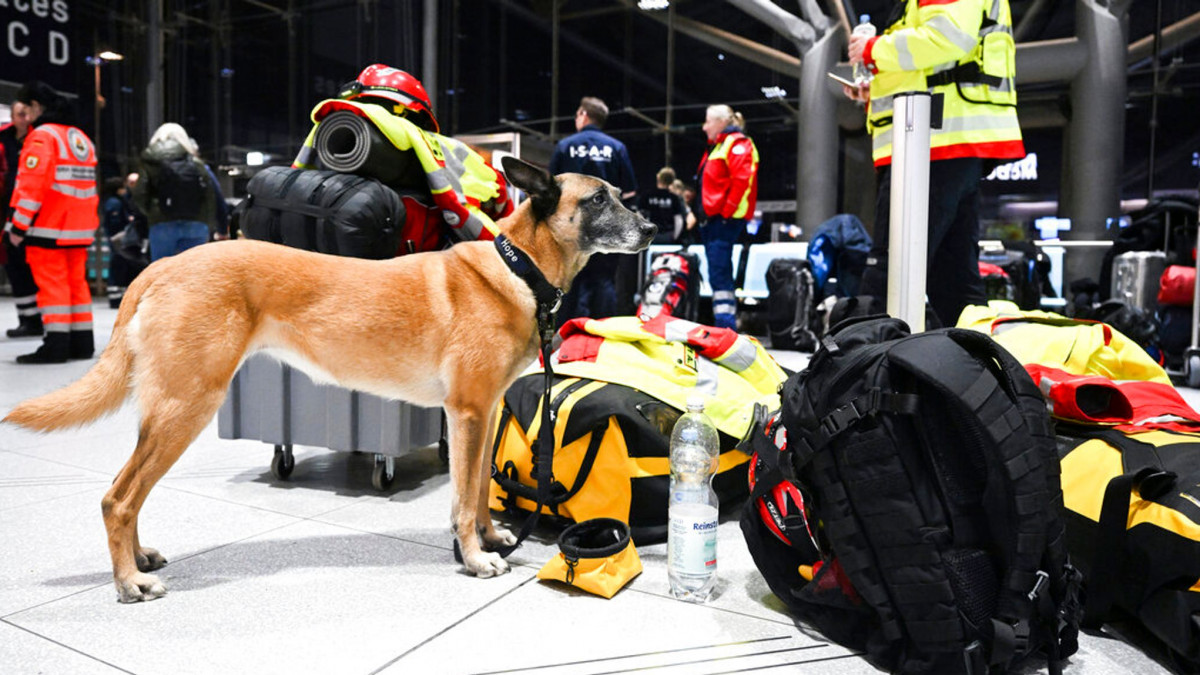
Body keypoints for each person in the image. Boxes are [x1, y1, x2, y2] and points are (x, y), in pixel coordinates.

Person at [845, 0, 1023, 326]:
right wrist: (876, 87)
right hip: (941, 140)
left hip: (931, 141)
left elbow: (948, 37)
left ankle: (863, 367)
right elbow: (932, 59)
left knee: (891, 272)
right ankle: (975, 367)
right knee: (953, 277)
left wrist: (873, 48)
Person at [3, 81, 98, 363]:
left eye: (27, 108)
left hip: (48, 226)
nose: (25, 116)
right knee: (77, 285)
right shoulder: (79, 137)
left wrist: (18, 227)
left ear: (35, 106)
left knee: (53, 286)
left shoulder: (42, 137)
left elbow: (31, 188)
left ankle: (55, 346)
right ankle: (82, 344)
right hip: (79, 227)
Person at [549, 96, 638, 324]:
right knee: (604, 281)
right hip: (606, 228)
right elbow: (628, 192)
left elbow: (551, 190)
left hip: (571, 228)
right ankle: (602, 338)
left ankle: (563, 342)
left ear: (583, 115)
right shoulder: (617, 148)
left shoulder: (565, 146)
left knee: (568, 282)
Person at [696, 104, 759, 330]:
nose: (704, 127)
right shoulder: (719, 145)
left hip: (723, 221)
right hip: (714, 221)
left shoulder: (738, 144)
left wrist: (726, 211)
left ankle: (725, 326)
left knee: (720, 272)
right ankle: (723, 324)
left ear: (721, 121)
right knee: (718, 272)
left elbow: (743, 180)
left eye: (708, 121)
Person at [133, 123, 228, 261]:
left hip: (161, 225)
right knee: (192, 274)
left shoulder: (150, 161)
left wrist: (152, 213)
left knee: (162, 274)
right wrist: (217, 227)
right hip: (196, 225)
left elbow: (140, 194)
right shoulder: (197, 163)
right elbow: (213, 196)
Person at [1, 99, 41, 338]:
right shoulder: (3, 138)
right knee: (14, 266)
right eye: (19, 114)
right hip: (8, 210)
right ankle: (27, 319)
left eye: (27, 113)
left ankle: (40, 318)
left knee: (33, 268)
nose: (24, 118)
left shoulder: (40, 138)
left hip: (32, 213)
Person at [101, 176, 145, 308]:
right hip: (118, 238)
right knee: (119, 266)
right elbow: (114, 222)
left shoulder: (114, 201)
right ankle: (115, 298)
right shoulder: (115, 202)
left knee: (119, 265)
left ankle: (117, 296)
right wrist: (127, 222)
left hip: (116, 237)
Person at [637, 167, 689, 245]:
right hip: (668, 235)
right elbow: (679, 220)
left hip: (651, 235)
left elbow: (639, 216)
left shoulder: (647, 196)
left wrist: (643, 235)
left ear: (658, 177)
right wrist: (675, 237)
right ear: (671, 181)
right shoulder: (674, 198)